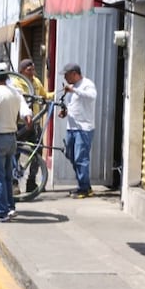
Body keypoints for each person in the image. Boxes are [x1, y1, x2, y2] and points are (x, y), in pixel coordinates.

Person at [0, 62, 29, 223]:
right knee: (8, 176)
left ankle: (1, 211)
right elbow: (17, 115)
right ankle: (9, 207)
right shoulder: (14, 93)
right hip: (11, 137)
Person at [11, 58, 54, 193]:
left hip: (34, 122)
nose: (32, 71)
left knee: (37, 151)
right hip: (19, 124)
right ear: (22, 71)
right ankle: (14, 183)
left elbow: (44, 95)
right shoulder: (15, 83)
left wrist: (56, 94)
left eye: (33, 68)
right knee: (15, 152)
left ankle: (32, 182)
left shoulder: (36, 81)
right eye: (29, 69)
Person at [58, 62, 98, 198]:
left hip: (84, 129)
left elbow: (92, 96)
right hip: (72, 128)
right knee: (71, 155)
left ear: (74, 74)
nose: (65, 78)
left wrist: (74, 90)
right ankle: (85, 185)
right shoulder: (72, 87)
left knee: (81, 158)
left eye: (66, 75)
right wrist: (65, 112)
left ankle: (84, 189)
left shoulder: (87, 84)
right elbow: (74, 105)